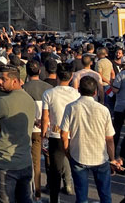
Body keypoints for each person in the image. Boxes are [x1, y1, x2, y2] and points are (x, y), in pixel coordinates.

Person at [0, 65, 36, 203]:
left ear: (14, 81)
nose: (0, 82)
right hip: (24, 161)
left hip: (4, 163)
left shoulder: (2, 102)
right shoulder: (29, 99)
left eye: (3, 79)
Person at [60, 76, 114, 203]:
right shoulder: (103, 110)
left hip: (78, 154)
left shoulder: (71, 107)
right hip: (100, 157)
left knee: (81, 194)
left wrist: (67, 151)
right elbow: (109, 138)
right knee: (105, 194)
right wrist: (112, 159)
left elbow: (64, 134)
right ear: (95, 92)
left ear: (78, 90)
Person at [41, 68, 78, 203]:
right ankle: (71, 188)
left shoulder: (49, 93)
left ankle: (54, 199)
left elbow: (45, 117)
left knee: (55, 169)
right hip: (72, 134)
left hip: (55, 134)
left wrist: (43, 133)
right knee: (72, 164)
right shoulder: (76, 93)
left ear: (57, 76)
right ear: (71, 77)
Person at [21, 60, 52, 202]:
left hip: (30, 129)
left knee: (35, 163)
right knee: (50, 160)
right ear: (39, 71)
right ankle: (50, 190)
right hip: (47, 129)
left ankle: (36, 193)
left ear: (27, 72)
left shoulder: (23, 89)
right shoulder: (48, 87)